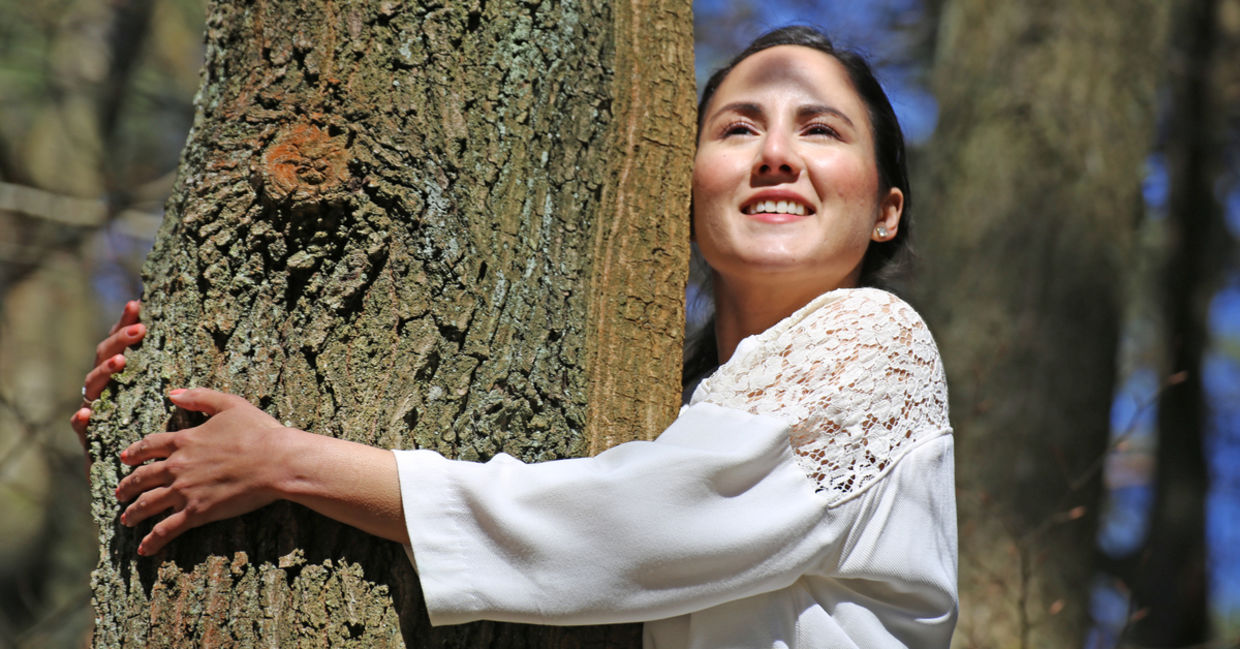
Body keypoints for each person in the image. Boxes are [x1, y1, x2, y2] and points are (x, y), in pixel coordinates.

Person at [72, 26, 957, 648]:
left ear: (887, 211)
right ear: (685, 188)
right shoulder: (685, 402)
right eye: (738, 128)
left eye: (820, 129)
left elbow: (627, 527)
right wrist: (154, 407)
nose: (775, 155)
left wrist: (286, 462)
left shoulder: (879, 341)